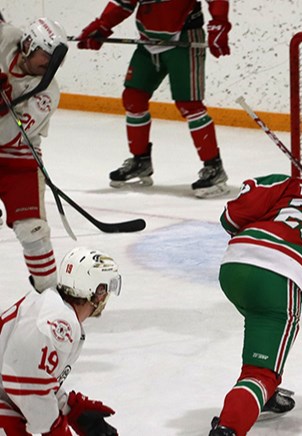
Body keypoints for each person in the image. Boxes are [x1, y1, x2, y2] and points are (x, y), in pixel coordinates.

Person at [210, 151, 302, 436]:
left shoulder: (284, 184)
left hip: (234, 268)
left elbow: (230, 218)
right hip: (279, 281)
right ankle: (233, 422)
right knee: (260, 373)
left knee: (260, 325)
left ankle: (263, 396)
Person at [76, 0, 232, 198]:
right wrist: (102, 25)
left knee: (189, 105)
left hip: (183, 37)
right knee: (133, 98)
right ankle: (140, 161)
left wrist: (219, 23)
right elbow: (124, 3)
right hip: (148, 41)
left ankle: (214, 167)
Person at [0, 247, 121, 435]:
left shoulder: (52, 305)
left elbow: (32, 378)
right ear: (97, 292)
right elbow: (23, 381)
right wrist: (56, 428)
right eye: (106, 289)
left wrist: (70, 409)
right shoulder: (59, 320)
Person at [0, 17, 68, 292]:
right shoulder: (7, 38)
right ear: (28, 44)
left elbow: (11, 136)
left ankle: (50, 295)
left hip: (20, 158)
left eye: (56, 60)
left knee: (34, 232)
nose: (50, 64)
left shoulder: (48, 91)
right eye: (46, 54)